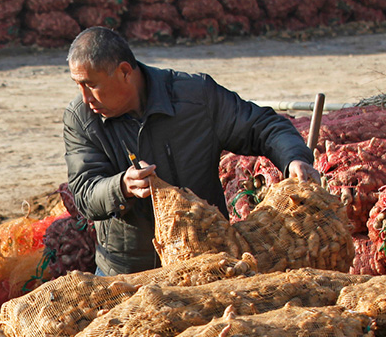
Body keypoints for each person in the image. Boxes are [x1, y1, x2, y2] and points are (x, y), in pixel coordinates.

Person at [63, 26, 319, 276]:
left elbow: (262, 126)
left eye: (91, 85)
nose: (85, 98)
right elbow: (84, 192)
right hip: (127, 273)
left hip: (207, 265)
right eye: (78, 85)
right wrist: (121, 187)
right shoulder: (81, 118)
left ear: (125, 72)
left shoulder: (195, 97)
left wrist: (294, 158)